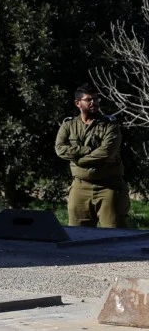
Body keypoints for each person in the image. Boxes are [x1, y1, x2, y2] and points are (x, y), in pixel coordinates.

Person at [56, 85, 128, 228]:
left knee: (115, 233)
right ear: (78, 103)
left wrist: (79, 160)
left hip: (109, 187)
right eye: (88, 99)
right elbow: (60, 149)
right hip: (80, 187)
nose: (93, 102)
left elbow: (107, 152)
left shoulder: (110, 125)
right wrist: (88, 150)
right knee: (77, 235)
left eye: (95, 99)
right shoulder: (68, 125)